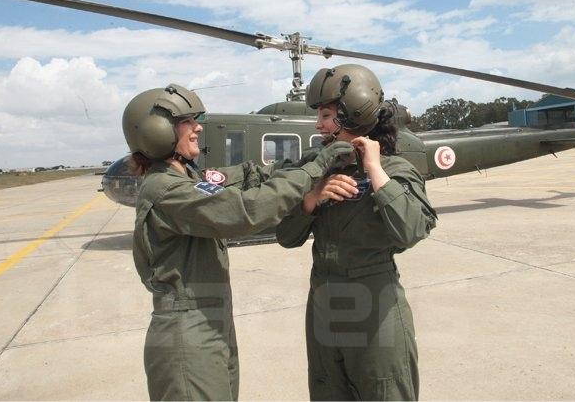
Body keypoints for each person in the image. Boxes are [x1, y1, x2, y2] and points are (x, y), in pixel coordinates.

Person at [123, 83, 353, 401]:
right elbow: (247, 211)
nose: (198, 127)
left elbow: (238, 177)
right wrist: (314, 170)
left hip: (209, 323)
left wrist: (296, 164)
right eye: (188, 121)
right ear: (158, 130)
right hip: (188, 334)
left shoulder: (186, 179)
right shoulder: (166, 190)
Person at [276, 64, 437, 401]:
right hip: (323, 304)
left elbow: (411, 230)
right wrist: (311, 198)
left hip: (375, 309)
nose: (318, 125)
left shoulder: (394, 170)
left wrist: (375, 170)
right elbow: (286, 236)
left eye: (326, 115)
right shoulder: (316, 169)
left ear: (354, 113)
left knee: (384, 391)